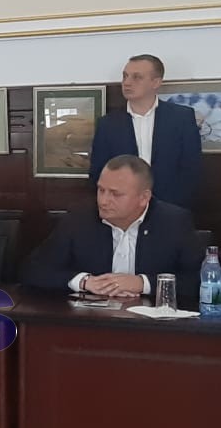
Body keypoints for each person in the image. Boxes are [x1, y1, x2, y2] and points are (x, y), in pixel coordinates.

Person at [22, 154, 202, 304]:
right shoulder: (79, 218)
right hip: (91, 321)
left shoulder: (174, 222)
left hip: (153, 326)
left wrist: (143, 283)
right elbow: (33, 269)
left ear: (143, 198)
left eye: (115, 194)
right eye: (101, 190)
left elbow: (200, 280)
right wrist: (85, 281)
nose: (103, 201)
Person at [88, 54, 202, 208]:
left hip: (171, 207)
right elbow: (99, 172)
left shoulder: (181, 118)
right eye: (125, 76)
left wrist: (172, 208)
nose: (127, 82)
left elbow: (192, 168)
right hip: (123, 209)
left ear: (156, 82)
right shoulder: (108, 124)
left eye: (137, 77)